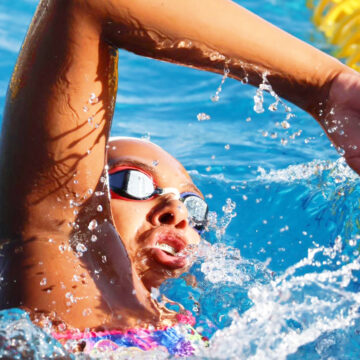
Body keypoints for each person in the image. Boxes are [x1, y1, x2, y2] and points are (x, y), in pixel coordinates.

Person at [1, 0, 360, 354]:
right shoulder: (57, 268)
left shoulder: (188, 328)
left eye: (195, 207)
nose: (177, 210)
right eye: (134, 183)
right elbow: (86, 5)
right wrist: (326, 86)